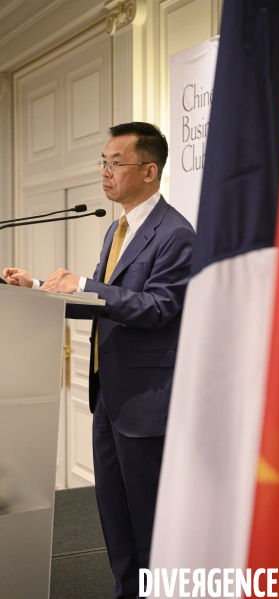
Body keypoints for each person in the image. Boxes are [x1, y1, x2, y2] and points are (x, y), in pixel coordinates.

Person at [3, 122, 195, 599]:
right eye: (103, 162)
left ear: (149, 171)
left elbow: (158, 308)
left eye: (116, 163)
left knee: (149, 521)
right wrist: (37, 290)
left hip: (146, 404)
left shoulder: (175, 234)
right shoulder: (118, 228)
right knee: (113, 513)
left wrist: (86, 286)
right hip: (107, 397)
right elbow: (99, 301)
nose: (105, 173)